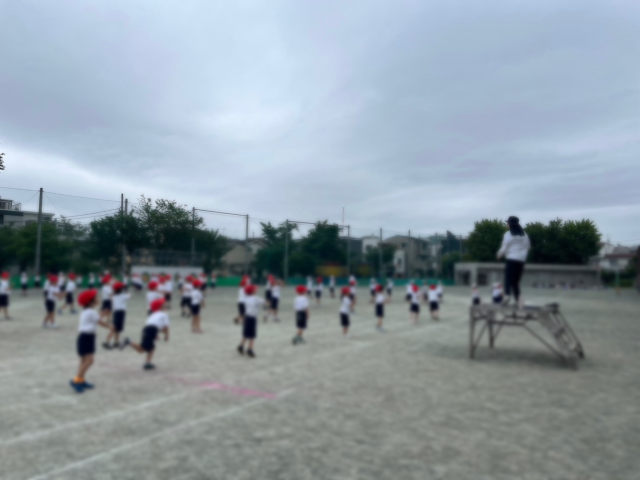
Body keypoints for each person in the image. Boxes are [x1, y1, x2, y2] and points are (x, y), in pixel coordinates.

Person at [69, 289, 114, 393]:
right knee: (90, 360)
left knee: (83, 360)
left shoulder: (87, 311)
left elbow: (95, 318)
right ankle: (76, 380)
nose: (98, 299)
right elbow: (100, 322)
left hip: (84, 337)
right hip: (87, 337)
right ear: (91, 302)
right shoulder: (91, 312)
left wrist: (103, 314)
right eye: (96, 298)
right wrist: (110, 327)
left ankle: (81, 380)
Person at [121, 298, 170, 370]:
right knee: (142, 349)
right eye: (163, 304)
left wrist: (155, 335)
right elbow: (166, 327)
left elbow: (153, 325)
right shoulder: (164, 314)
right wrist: (166, 336)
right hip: (151, 330)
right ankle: (128, 341)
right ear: (160, 307)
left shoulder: (153, 315)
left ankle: (148, 363)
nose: (165, 305)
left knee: (151, 348)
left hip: (147, 329)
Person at [497, 216, 531, 308]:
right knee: (515, 282)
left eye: (507, 223)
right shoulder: (524, 235)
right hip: (521, 261)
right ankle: (518, 300)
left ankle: (507, 295)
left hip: (512, 259)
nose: (507, 225)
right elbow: (528, 247)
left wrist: (499, 255)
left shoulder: (508, 234)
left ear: (510, 224)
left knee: (508, 278)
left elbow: (504, 248)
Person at [237, 284, 263, 358]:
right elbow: (264, 302)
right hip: (252, 318)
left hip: (247, 317)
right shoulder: (256, 298)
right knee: (252, 335)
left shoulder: (246, 298)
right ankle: (250, 349)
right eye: (255, 289)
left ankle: (241, 346)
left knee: (246, 333)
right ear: (252, 291)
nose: (256, 290)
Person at [103, 281, 130, 349]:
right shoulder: (123, 296)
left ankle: (116, 342)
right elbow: (130, 295)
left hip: (116, 312)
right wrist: (126, 290)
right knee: (115, 328)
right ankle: (107, 341)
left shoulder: (114, 296)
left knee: (118, 329)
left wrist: (122, 289)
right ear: (121, 289)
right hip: (121, 313)